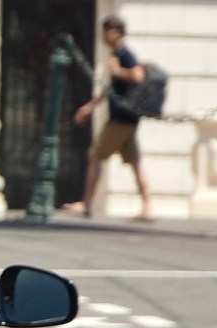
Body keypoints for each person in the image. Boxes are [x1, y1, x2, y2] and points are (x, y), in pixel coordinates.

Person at [64, 15, 154, 221]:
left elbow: (138, 76)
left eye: (107, 31)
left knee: (95, 156)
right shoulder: (117, 54)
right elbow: (111, 89)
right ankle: (148, 207)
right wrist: (90, 106)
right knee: (135, 162)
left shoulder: (124, 54)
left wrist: (117, 70)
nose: (104, 36)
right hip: (127, 118)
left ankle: (86, 204)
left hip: (121, 119)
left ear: (116, 33)